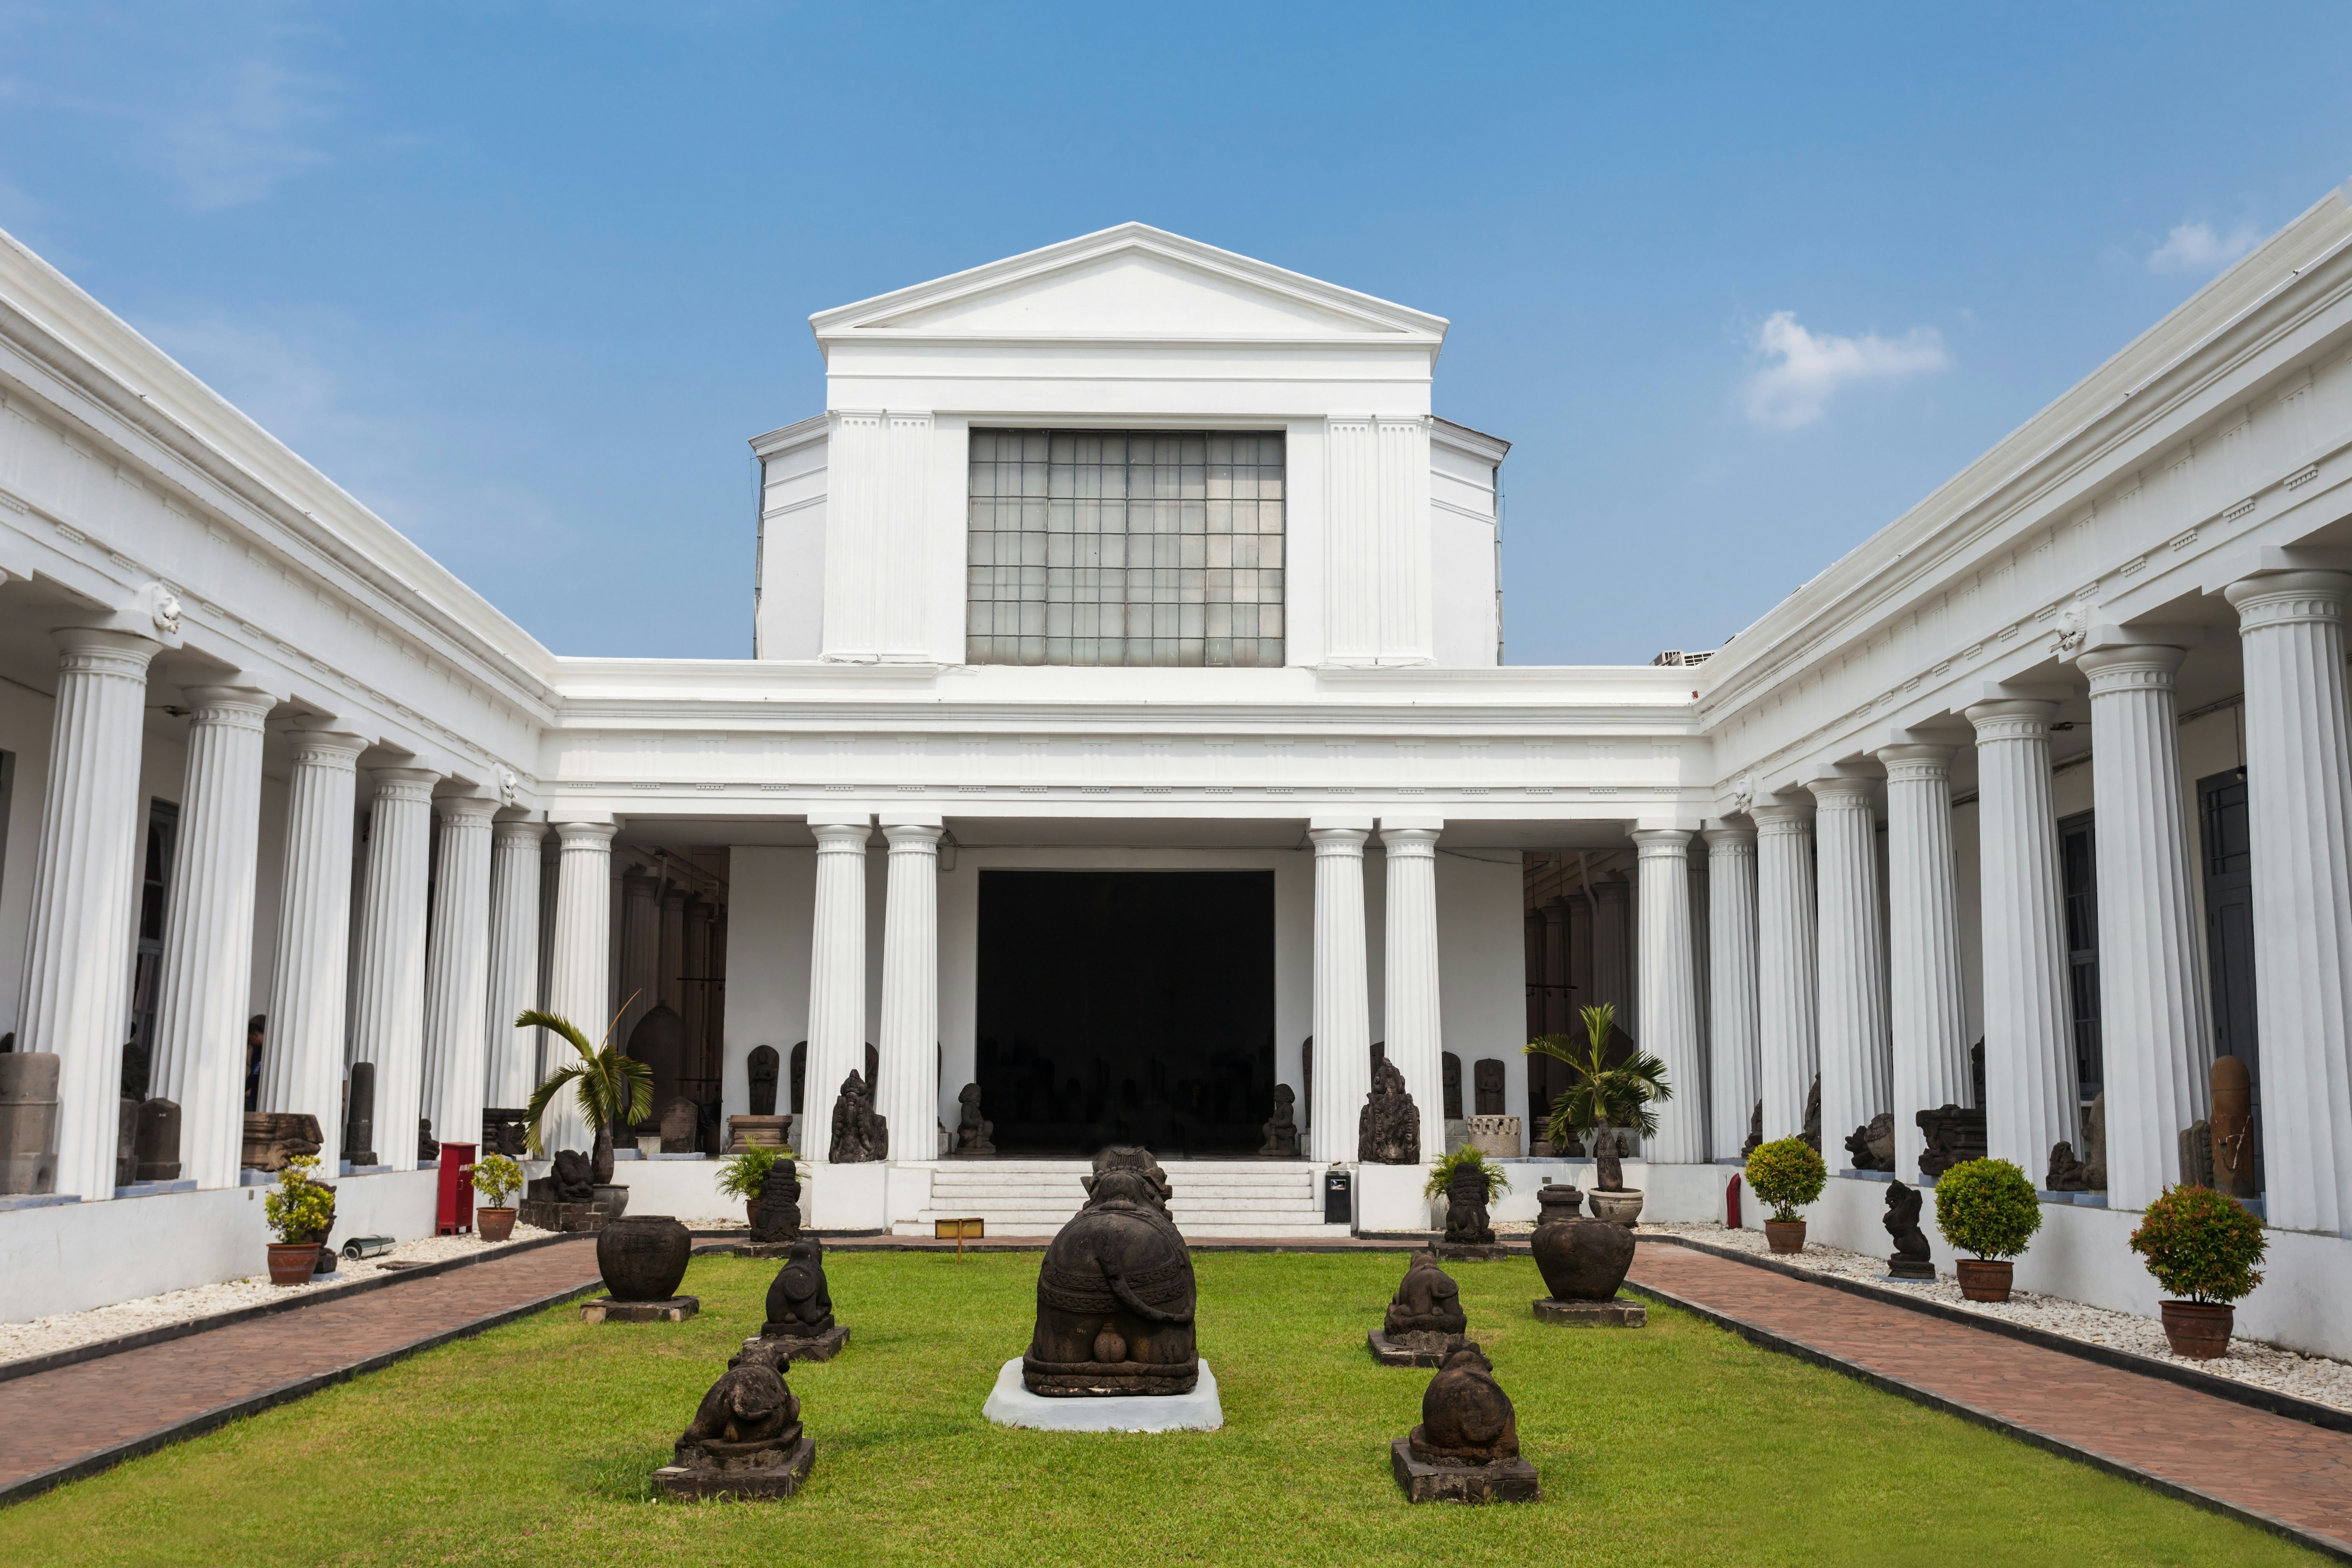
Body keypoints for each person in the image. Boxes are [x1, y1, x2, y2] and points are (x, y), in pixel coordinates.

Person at [244, 1015, 266, 1112]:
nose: (250, 1044)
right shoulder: (257, 1051)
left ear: (255, 1035)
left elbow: (255, 1073)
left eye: (250, 1040)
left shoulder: (270, 1049)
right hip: (255, 1094)